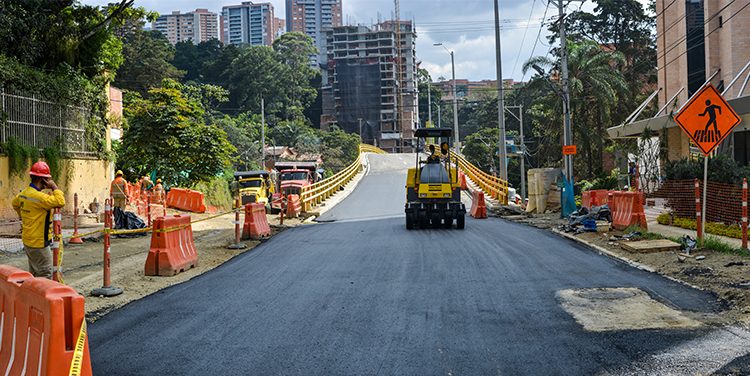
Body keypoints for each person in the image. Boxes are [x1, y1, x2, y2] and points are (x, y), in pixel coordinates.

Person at [11, 161, 66, 279]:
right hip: (39, 243)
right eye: (47, 179)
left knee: (35, 273)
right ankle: (40, 297)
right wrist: (54, 187)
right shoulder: (40, 198)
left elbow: (15, 203)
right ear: (43, 180)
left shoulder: (24, 194)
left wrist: (23, 216)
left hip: (28, 239)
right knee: (45, 274)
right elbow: (60, 201)